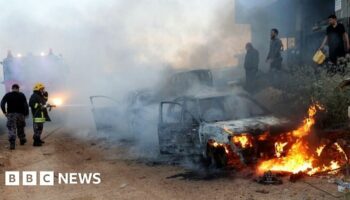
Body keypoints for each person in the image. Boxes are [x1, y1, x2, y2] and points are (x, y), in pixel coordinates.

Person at [0, 84, 29, 150]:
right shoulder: (21, 95)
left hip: (11, 114)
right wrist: (26, 113)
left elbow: (2, 103)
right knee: (21, 127)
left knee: (12, 128)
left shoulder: (8, 95)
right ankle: (22, 140)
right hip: (20, 114)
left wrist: (4, 112)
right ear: (18, 89)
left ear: (12, 88)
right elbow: (25, 105)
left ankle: (12, 144)